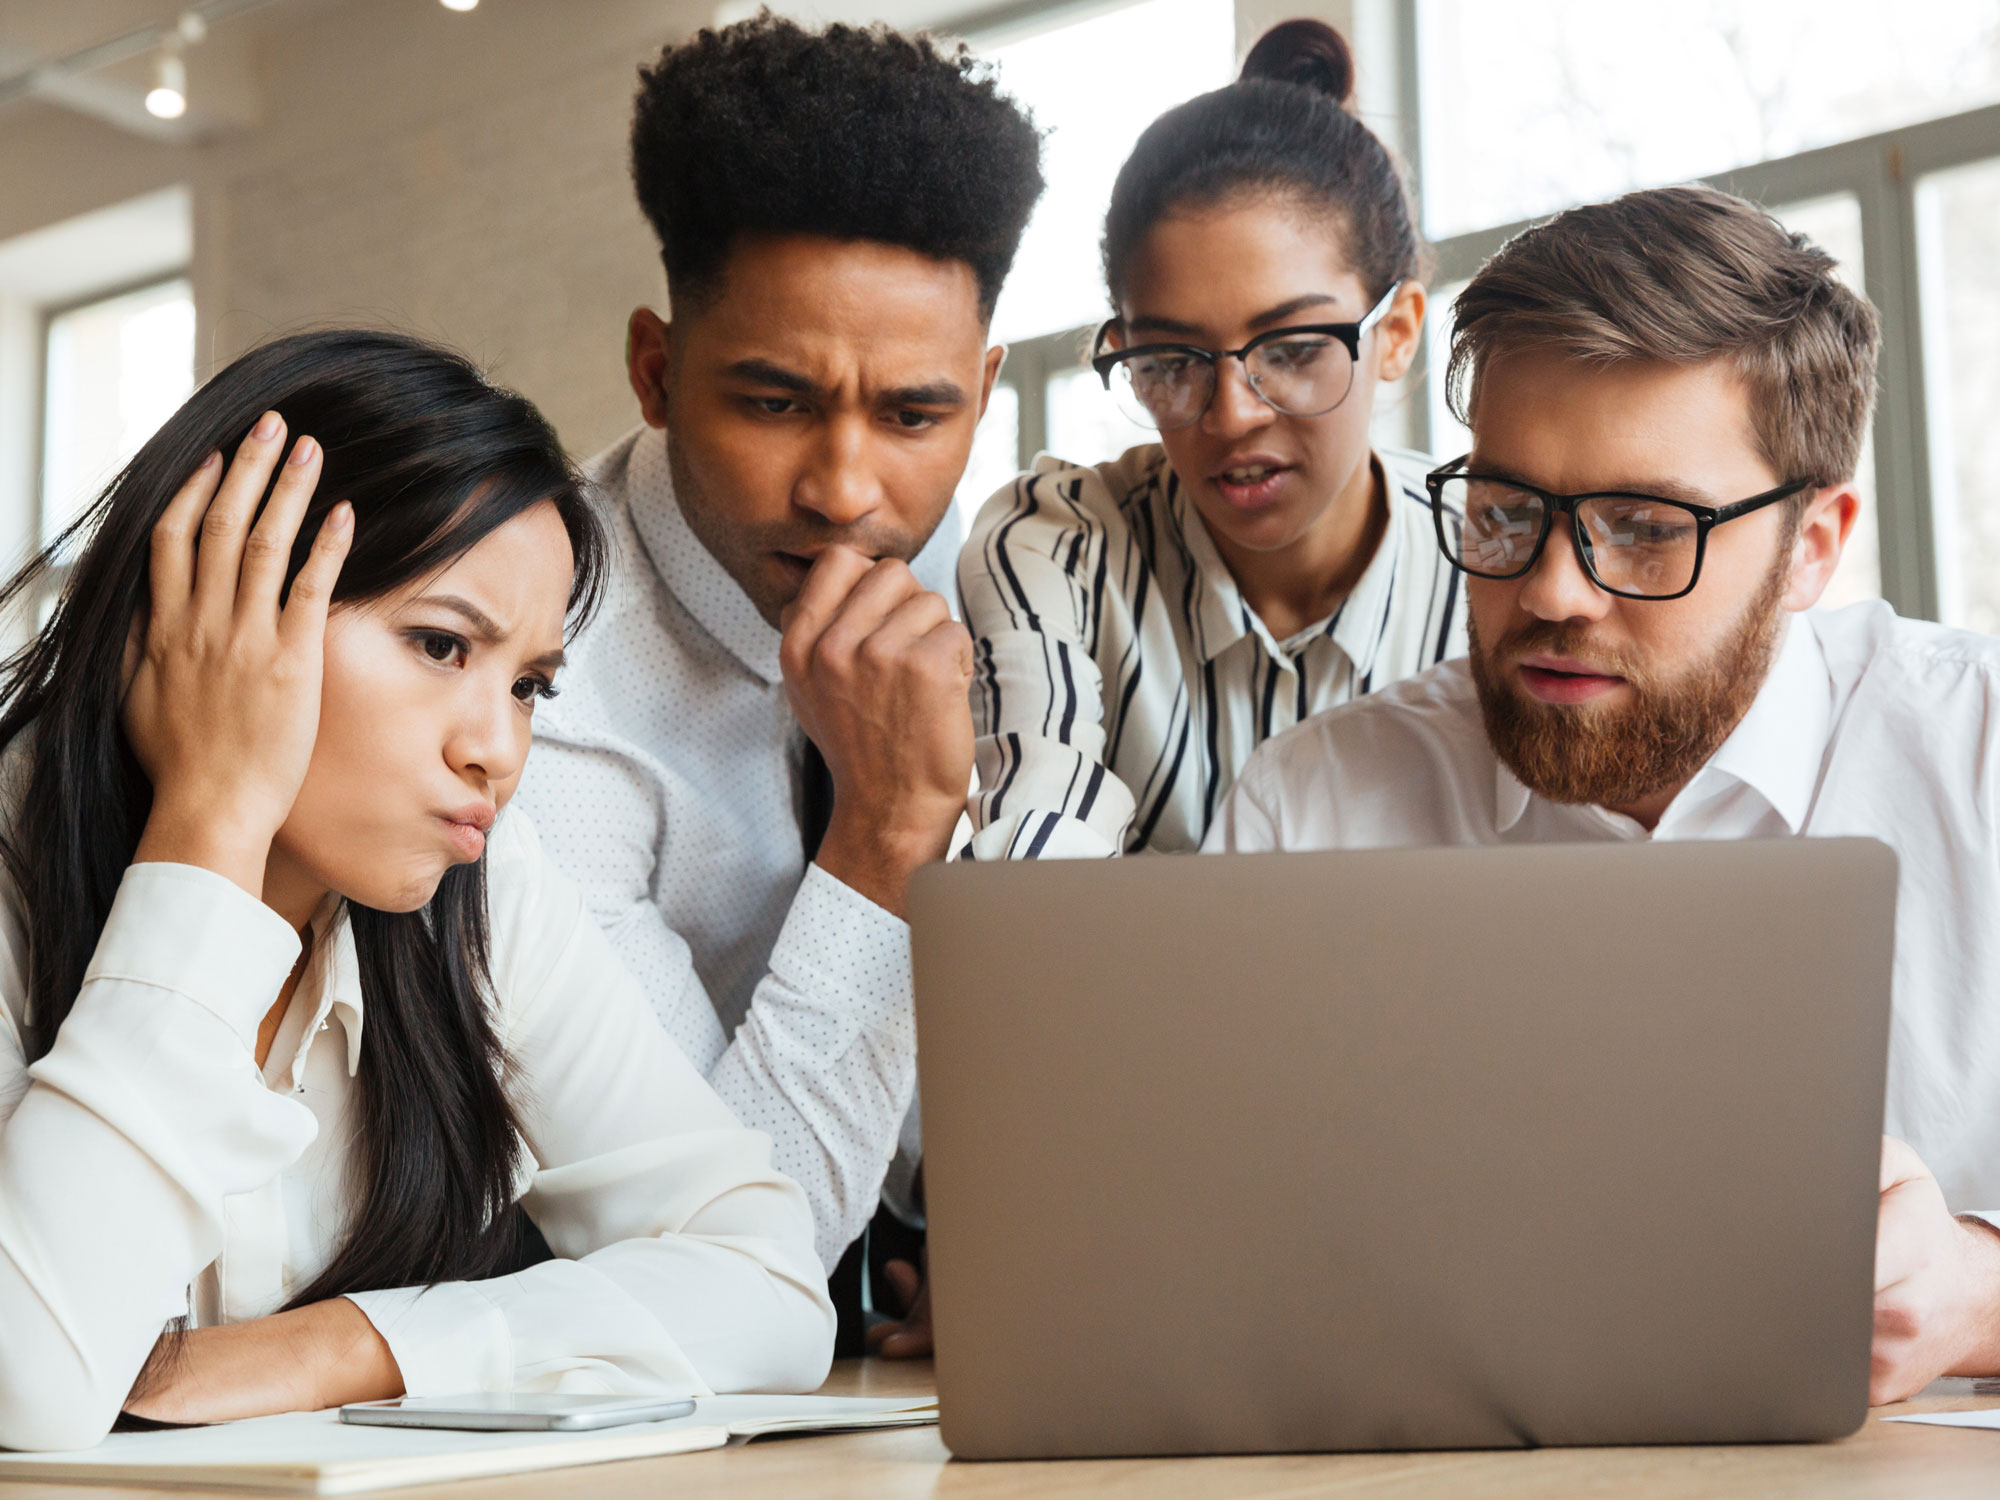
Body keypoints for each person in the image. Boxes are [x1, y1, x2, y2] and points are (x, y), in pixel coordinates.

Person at [1207, 183, 2000, 1406]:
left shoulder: (1978, 750)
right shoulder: (1312, 803)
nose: (1554, 592)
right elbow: (1217, 1257)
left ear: (1813, 548)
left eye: (1641, 526)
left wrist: (1972, 1294)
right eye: (1507, 512)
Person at [0, 330, 832, 1452]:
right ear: (204, 610)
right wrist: (211, 819)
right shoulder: (15, 869)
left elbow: (771, 1286)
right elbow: (27, 1390)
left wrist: (345, 1346)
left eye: (530, 684)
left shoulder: (484, 889)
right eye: (441, 646)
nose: (498, 749)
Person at [507, 14, 1042, 1357]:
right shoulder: (533, 691)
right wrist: (885, 838)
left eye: (916, 416)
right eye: (775, 402)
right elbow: (721, 1264)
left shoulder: (1012, 603)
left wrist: (1008, 1226)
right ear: (655, 372)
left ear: (984, 393)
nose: (848, 493)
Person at [957, 19, 1459, 861]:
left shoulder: (1498, 559)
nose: (1230, 416)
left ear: (1399, 331)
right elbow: (1034, 875)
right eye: (1171, 359)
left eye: (1293, 351)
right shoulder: (1058, 548)